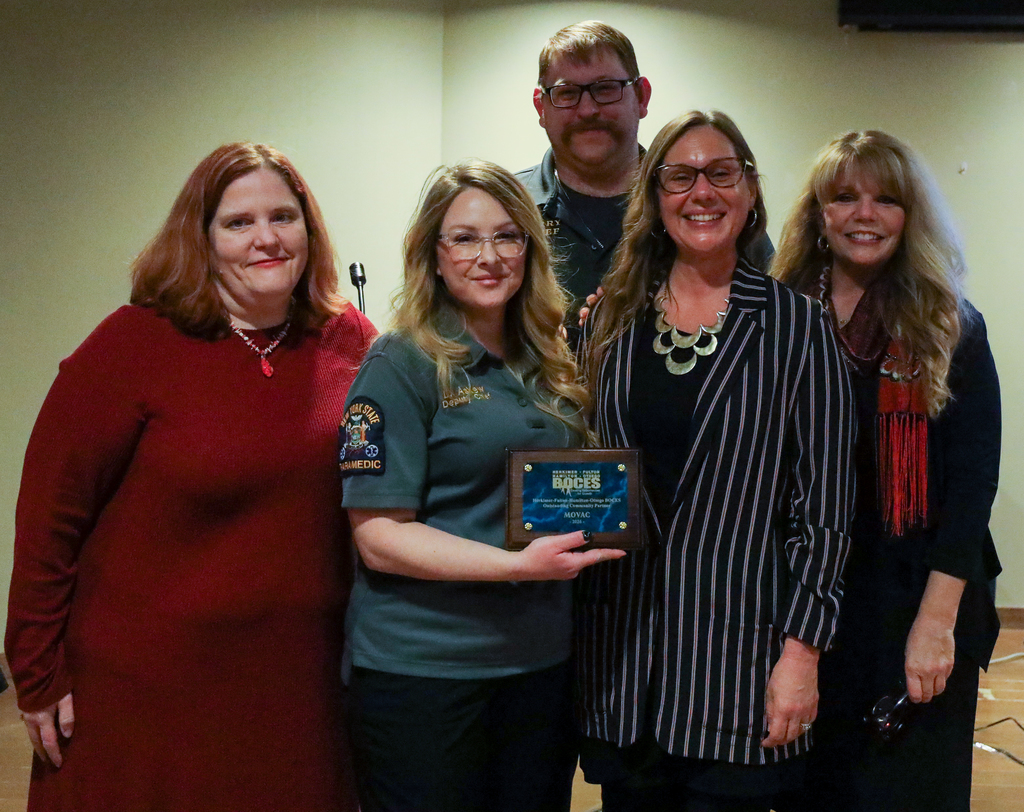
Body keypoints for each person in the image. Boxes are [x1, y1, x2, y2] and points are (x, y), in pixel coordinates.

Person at [4, 142, 376, 812]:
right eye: (238, 223)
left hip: (299, 688)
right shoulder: (132, 345)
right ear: (201, 238)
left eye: (283, 217)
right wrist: (36, 671)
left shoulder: (350, 341)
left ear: (309, 229)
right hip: (143, 693)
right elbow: (48, 520)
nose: (266, 238)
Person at [576, 110, 855, 812]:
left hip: (738, 669)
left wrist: (802, 655)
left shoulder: (798, 325)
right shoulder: (610, 319)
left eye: (721, 173)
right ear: (654, 194)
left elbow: (825, 512)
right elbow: (580, 466)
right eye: (680, 176)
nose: (701, 192)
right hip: (625, 667)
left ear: (750, 190)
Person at [339, 160, 624, 812]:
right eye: (464, 238)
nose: (489, 256)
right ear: (433, 256)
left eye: (506, 236)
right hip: (426, 673)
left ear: (529, 247)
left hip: (539, 665)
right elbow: (379, 537)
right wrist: (516, 567)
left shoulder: (549, 358)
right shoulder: (400, 362)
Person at [770, 130, 1001, 812]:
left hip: (917, 596)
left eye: (886, 199)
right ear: (818, 213)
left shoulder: (951, 326)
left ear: (910, 215)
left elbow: (972, 489)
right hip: (811, 598)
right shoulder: (777, 319)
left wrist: (935, 624)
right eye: (844, 197)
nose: (864, 214)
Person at [519, 21, 774, 335]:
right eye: (567, 93)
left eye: (605, 89)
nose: (587, 110)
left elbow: (774, 322)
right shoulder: (505, 210)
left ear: (641, 96)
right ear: (541, 107)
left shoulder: (707, 209)